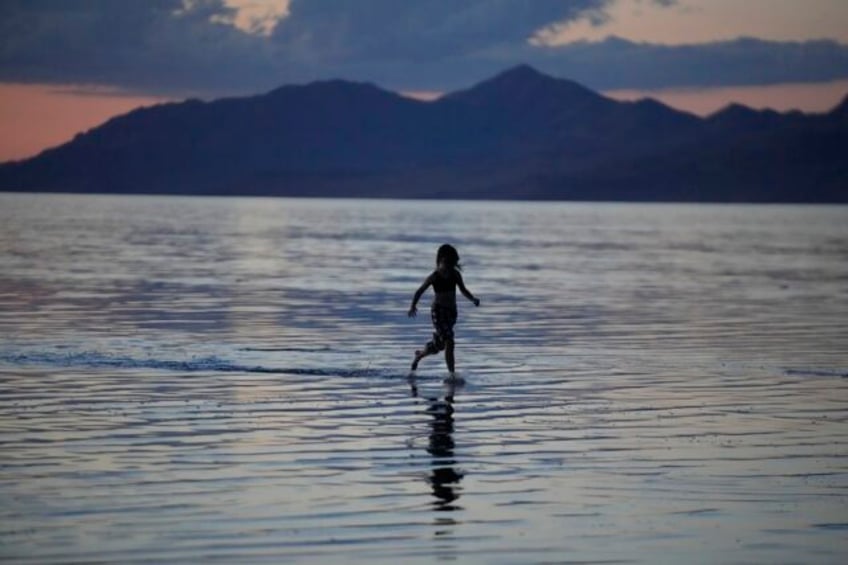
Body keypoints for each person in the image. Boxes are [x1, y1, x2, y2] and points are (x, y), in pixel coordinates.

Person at [408, 244, 480, 375]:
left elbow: (463, 290)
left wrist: (473, 299)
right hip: (438, 312)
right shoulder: (434, 276)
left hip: (451, 313)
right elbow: (419, 291)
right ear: (441, 260)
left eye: (452, 264)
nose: (449, 268)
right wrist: (413, 306)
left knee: (439, 346)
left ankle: (419, 355)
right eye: (447, 264)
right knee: (449, 341)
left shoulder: (455, 275)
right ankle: (452, 375)